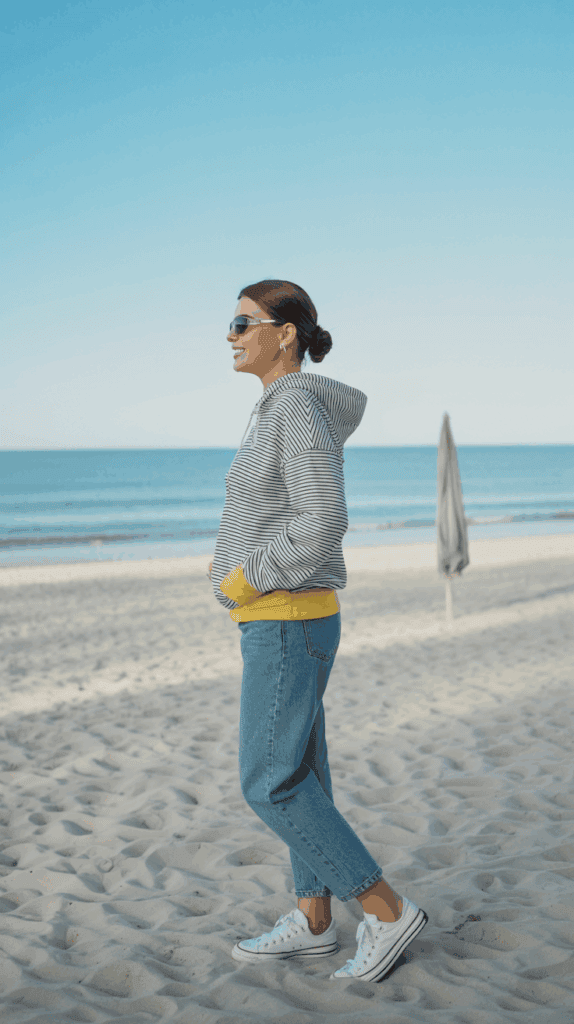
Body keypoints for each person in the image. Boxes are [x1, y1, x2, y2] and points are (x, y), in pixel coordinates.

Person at [207, 279, 427, 982]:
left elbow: (322, 518)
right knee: (300, 772)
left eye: (244, 322)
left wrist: (244, 577)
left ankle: (387, 910)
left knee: (267, 781)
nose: (231, 334)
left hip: (284, 616)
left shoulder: (295, 405)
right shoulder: (279, 407)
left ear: (287, 333)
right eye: (230, 323)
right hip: (284, 618)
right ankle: (313, 918)